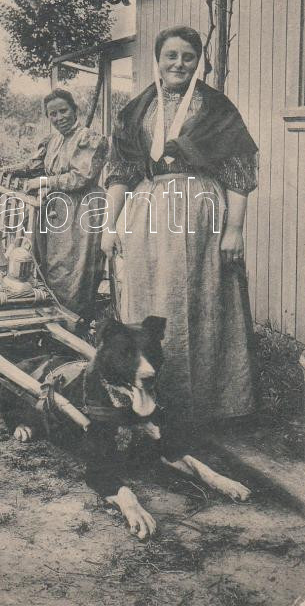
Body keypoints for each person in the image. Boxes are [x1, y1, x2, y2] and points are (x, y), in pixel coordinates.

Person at [102, 25, 258, 426]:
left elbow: (239, 170)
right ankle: (146, 396)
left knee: (202, 297)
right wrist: (109, 225)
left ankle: (204, 404)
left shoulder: (216, 108)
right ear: (158, 59)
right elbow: (120, 171)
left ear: (198, 62)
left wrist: (235, 230)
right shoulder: (138, 109)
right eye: (171, 55)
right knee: (151, 298)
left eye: (188, 57)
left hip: (200, 213)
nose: (179, 64)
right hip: (149, 213)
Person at [3, 88, 108, 323]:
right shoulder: (53, 141)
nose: (59, 117)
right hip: (56, 210)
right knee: (52, 264)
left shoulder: (90, 139)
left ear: (74, 110)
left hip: (82, 209)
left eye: (63, 111)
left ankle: (75, 323)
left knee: (74, 269)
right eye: (53, 114)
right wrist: (6, 170)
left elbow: (81, 176)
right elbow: (34, 165)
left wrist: (44, 182)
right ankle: (53, 321)